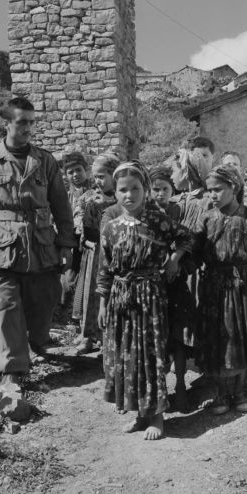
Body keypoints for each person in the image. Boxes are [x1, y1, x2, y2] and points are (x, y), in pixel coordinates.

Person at [0, 97, 75, 403]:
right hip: (4, 246)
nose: (28, 128)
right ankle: (11, 369)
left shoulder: (45, 160)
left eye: (32, 122)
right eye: (22, 122)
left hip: (42, 245)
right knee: (6, 305)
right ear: (6, 123)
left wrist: (66, 245)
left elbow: (61, 205)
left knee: (43, 301)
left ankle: (38, 342)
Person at [97, 161, 192, 440]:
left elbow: (185, 237)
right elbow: (105, 270)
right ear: (115, 193)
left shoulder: (158, 220)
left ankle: (158, 417)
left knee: (150, 353)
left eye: (135, 188)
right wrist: (103, 303)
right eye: (123, 190)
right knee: (127, 354)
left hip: (150, 296)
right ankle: (140, 414)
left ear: (145, 190)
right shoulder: (111, 227)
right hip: (120, 298)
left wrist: (174, 259)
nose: (129, 195)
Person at [194, 165, 247, 415]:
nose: (213, 195)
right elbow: (194, 251)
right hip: (213, 289)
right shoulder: (206, 219)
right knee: (218, 339)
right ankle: (219, 394)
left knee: (239, 338)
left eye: (218, 189)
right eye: (209, 190)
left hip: (241, 288)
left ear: (234, 187)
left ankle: (238, 392)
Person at [149, 165, 196, 411]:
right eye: (155, 189)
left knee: (177, 336)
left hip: (175, 281)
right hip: (150, 282)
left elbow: (186, 238)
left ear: (172, 189)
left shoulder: (179, 210)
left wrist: (175, 260)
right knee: (155, 339)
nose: (160, 194)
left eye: (164, 189)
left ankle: (180, 386)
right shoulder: (144, 213)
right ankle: (158, 392)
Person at [71, 153, 121, 354]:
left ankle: (111, 337)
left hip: (119, 254)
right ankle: (89, 335)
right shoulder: (89, 199)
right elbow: (84, 228)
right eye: (95, 177)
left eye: (102, 176)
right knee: (92, 295)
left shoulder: (125, 197)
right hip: (96, 253)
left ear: (114, 175)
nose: (97, 181)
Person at [60, 151, 91, 307]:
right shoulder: (65, 197)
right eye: (70, 172)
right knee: (69, 277)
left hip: (91, 243)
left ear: (86, 170)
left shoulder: (95, 193)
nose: (75, 175)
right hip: (72, 243)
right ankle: (67, 314)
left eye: (78, 170)